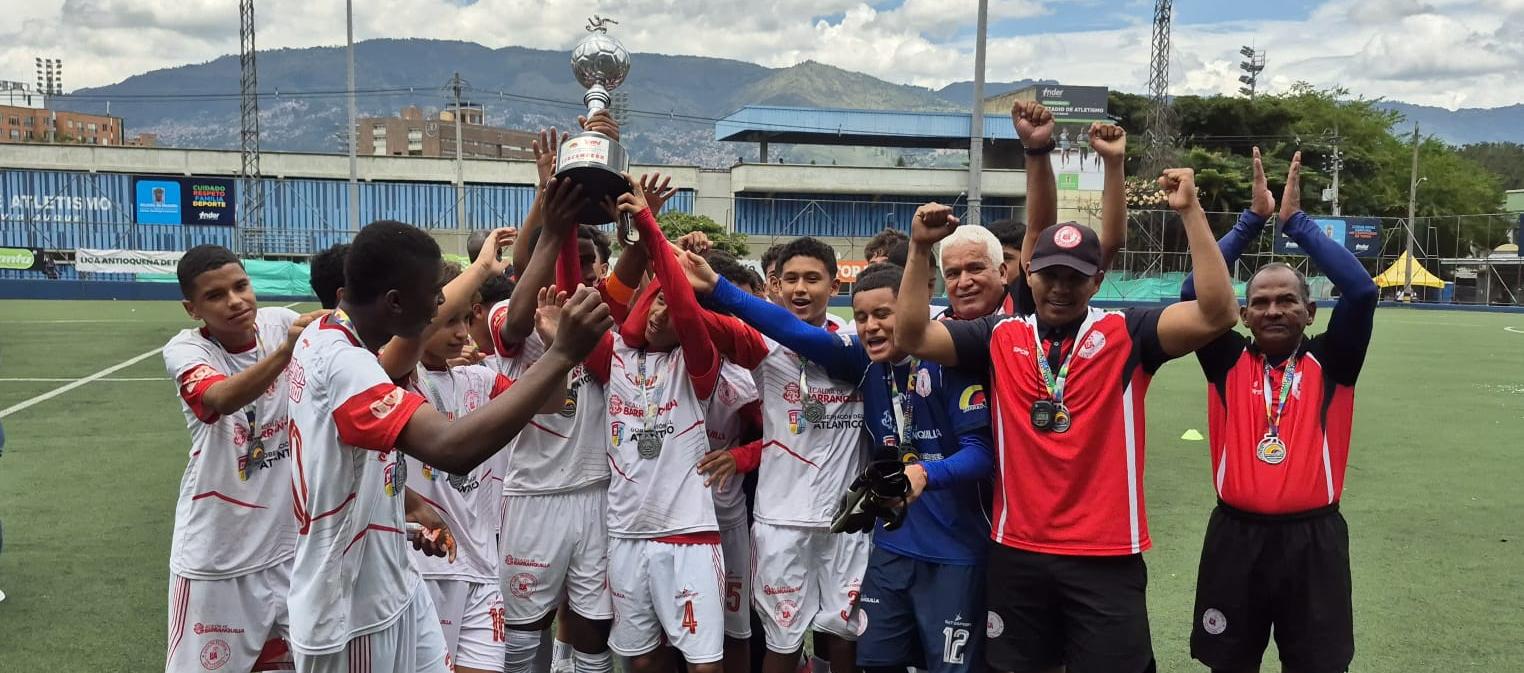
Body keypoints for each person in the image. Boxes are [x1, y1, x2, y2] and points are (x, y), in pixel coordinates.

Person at [892, 166, 1241, 673]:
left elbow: (1218, 313)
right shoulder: (999, 334)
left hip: (1105, 553)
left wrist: (1190, 211)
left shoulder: (1130, 331)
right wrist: (920, 249)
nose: (1060, 287)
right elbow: (912, 337)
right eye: (1050, 274)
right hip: (1018, 551)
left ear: (1097, 279)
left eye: (1075, 276)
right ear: (1027, 274)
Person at [284, 217, 612, 673]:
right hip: (350, 610)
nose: (441, 303)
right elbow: (450, 447)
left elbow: (345, 456)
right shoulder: (343, 364)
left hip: (395, 582)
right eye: (435, 294)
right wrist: (561, 354)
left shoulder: (328, 336)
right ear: (395, 303)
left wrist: (407, 503)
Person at [683, 256, 996, 673]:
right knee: (870, 658)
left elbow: (983, 452)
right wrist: (716, 286)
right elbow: (792, 331)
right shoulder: (864, 362)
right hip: (887, 545)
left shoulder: (949, 361)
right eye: (863, 316)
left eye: (884, 314)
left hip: (950, 550)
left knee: (931, 662)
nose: (871, 326)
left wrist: (926, 473)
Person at [1181, 150, 1377, 673]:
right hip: (1235, 539)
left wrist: (1295, 223)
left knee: (1317, 665)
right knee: (1228, 664)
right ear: (1242, 313)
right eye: (1260, 302)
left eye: (1286, 300)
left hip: (1313, 542)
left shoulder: (1334, 361)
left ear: (1309, 311)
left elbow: (1360, 291)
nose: (1273, 310)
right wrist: (1252, 219)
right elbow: (1192, 291)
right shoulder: (1224, 360)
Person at [584, 178, 757, 672]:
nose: (662, 311)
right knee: (641, 662)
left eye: (669, 302)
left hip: (688, 532)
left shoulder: (696, 362)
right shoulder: (614, 353)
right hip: (625, 532)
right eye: (652, 300)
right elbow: (587, 299)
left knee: (704, 662)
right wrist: (563, 224)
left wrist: (650, 226)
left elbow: (684, 303)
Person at [161, 245, 326, 673]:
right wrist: (285, 353)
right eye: (216, 296)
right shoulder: (186, 351)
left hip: (292, 548)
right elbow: (220, 398)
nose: (235, 301)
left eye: (241, 286)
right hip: (219, 559)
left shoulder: (281, 323)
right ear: (191, 308)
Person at [399, 261, 538, 673]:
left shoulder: (481, 379)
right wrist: (480, 269)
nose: (461, 332)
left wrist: (559, 348)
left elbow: (547, 401)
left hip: (480, 567)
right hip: (422, 568)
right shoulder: (394, 379)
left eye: (465, 319)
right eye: (449, 321)